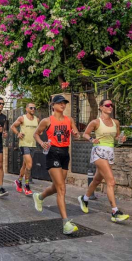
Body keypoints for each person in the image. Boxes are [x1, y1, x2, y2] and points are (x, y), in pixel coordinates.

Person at [32, 95, 80, 235]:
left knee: (56, 187)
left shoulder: (69, 120)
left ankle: (39, 197)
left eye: (64, 103)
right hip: (52, 153)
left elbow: (76, 133)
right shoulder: (47, 121)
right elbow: (36, 134)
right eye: (60, 103)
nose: (63, 105)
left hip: (65, 153)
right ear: (53, 105)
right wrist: (42, 143)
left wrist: (76, 134)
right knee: (61, 188)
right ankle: (66, 223)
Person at [79, 99, 130, 223]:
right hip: (98, 152)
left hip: (110, 152)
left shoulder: (115, 122)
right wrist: (92, 139)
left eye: (111, 105)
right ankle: (115, 212)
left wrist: (121, 138)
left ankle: (84, 198)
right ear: (101, 107)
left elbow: (117, 137)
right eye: (107, 105)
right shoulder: (95, 122)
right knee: (111, 181)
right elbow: (85, 134)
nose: (110, 107)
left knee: (97, 179)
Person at [10, 102, 39, 196]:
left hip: (33, 145)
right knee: (29, 165)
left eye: (34, 108)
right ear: (26, 109)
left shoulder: (37, 119)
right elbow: (12, 126)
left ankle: (19, 181)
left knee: (25, 165)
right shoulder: (22, 118)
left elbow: (40, 130)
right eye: (31, 108)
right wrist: (18, 133)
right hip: (24, 144)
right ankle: (26, 185)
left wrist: (40, 133)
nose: (33, 109)